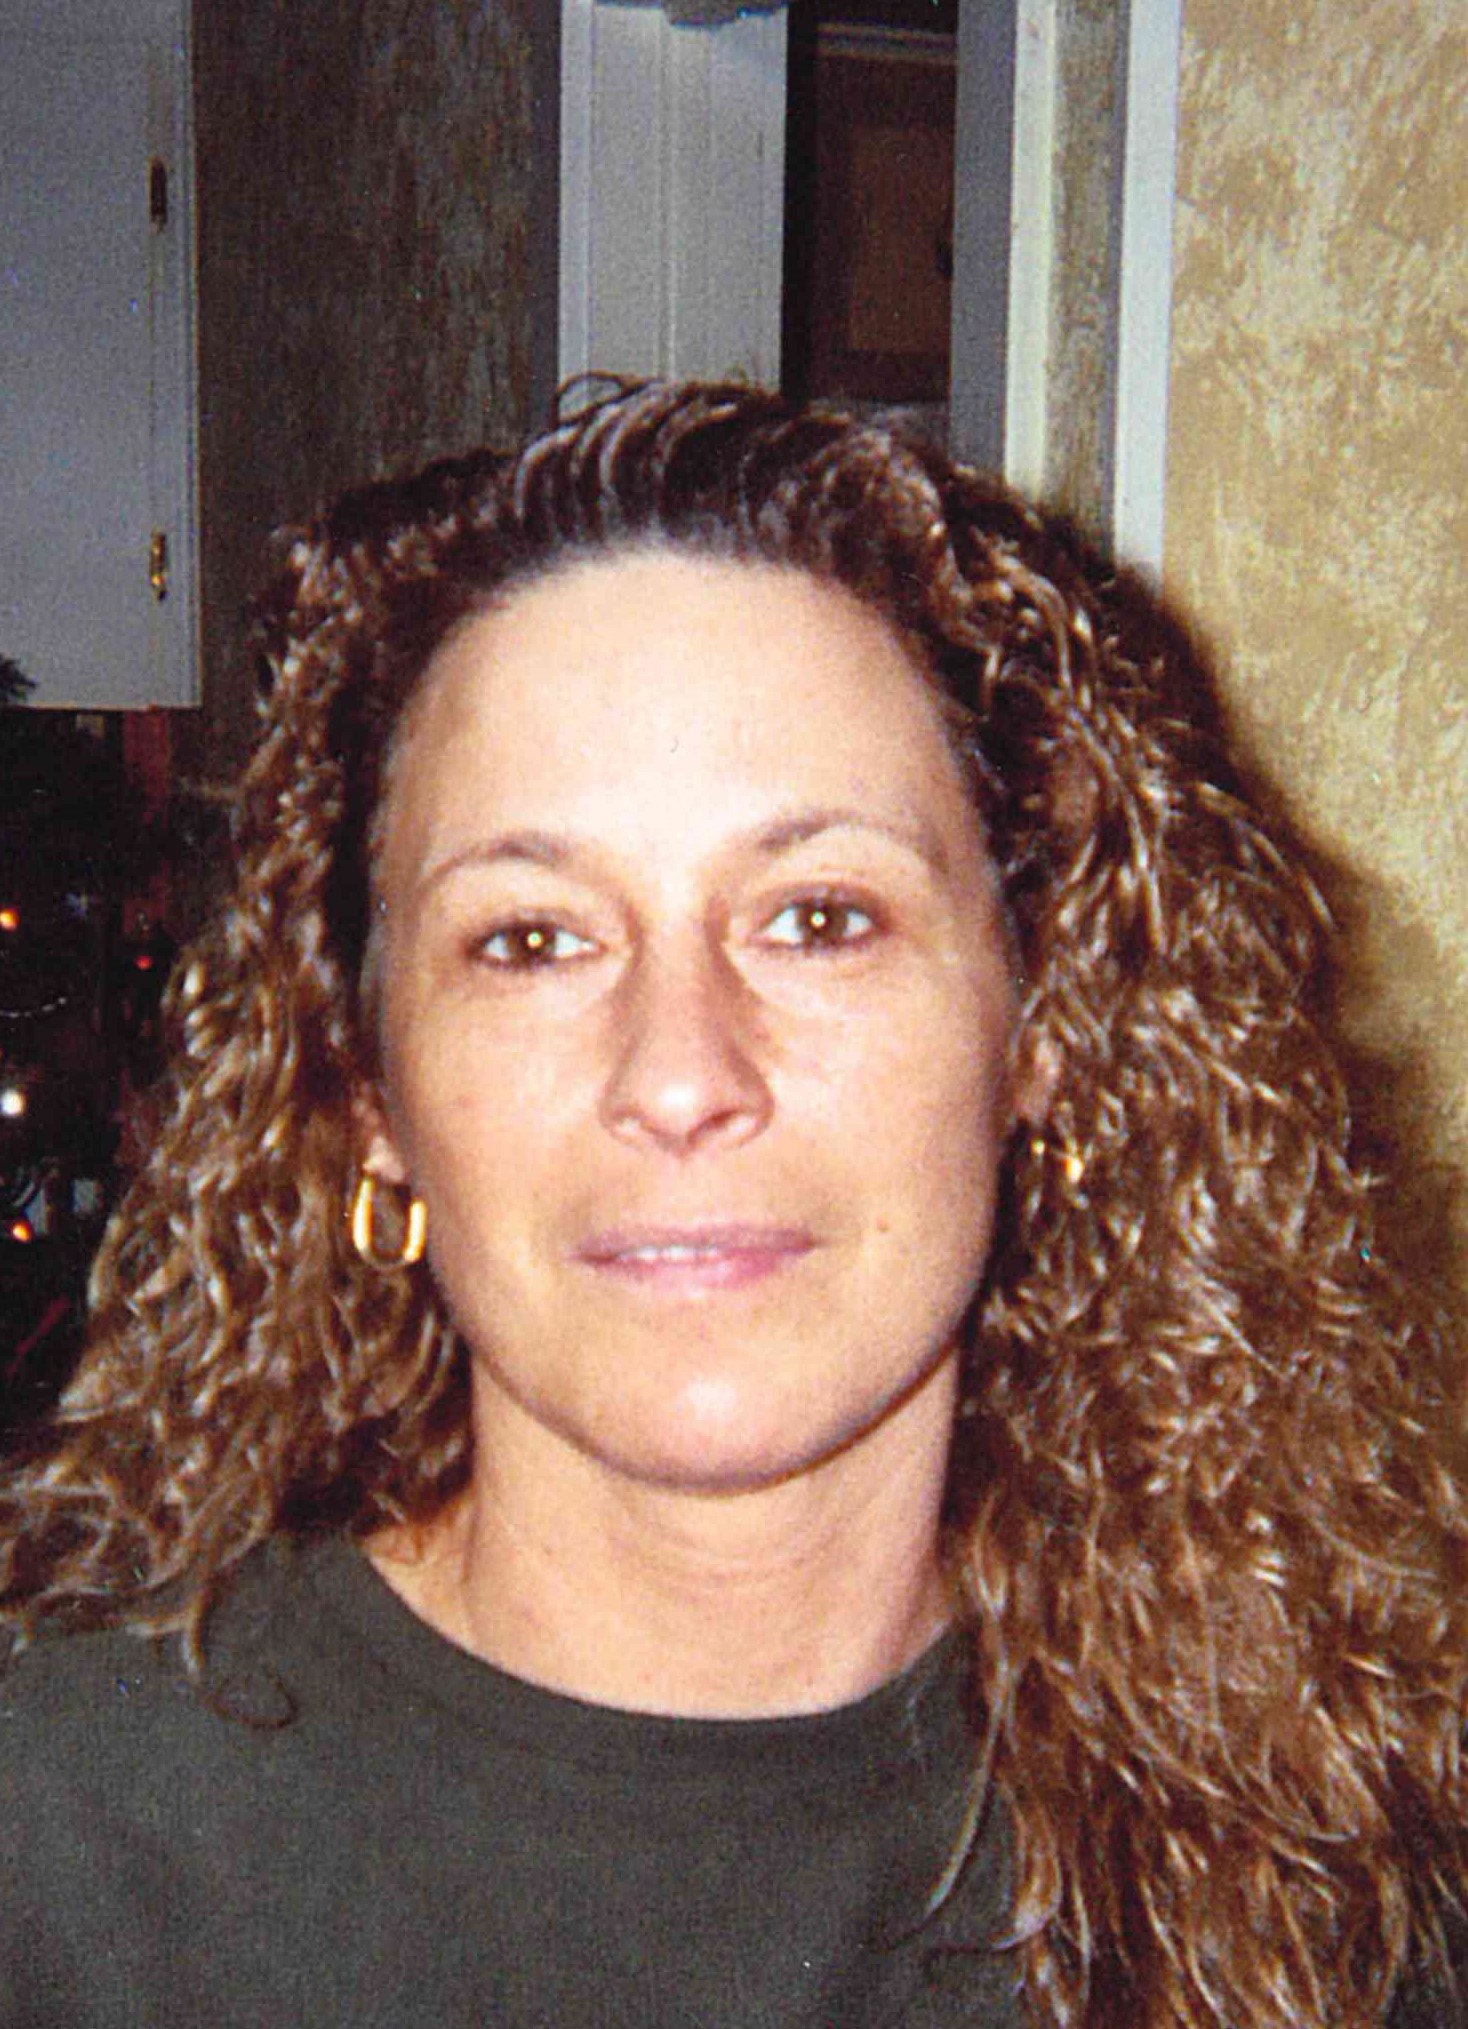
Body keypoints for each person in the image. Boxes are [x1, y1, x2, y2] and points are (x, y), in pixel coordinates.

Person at [1, 380, 1464, 2029]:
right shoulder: (58, 1847)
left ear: (1044, 1029)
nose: (682, 1075)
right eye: (532, 939)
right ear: (366, 1090)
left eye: (820, 917)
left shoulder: (1336, 1878)